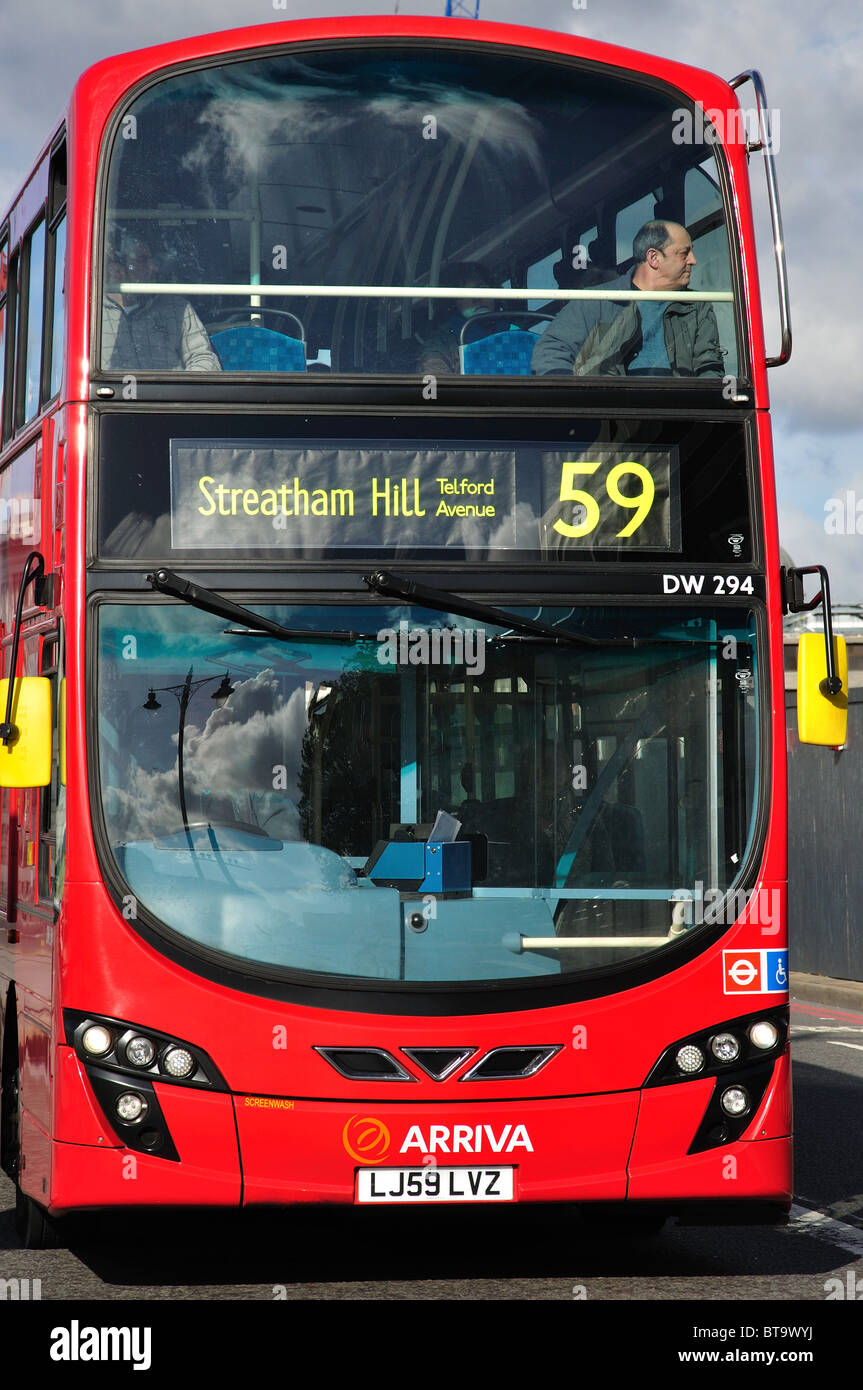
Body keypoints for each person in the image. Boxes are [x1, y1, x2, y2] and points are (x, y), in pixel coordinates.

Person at [531, 220, 723, 377]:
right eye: (684, 253)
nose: (693, 260)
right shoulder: (594, 301)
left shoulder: (697, 307)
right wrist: (578, 399)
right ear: (653, 258)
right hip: (610, 416)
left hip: (678, 417)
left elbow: (710, 369)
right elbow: (551, 352)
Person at [102, 240, 221, 371]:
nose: (154, 268)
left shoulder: (177, 309)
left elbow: (202, 358)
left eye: (154, 261)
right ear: (116, 269)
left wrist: (183, 388)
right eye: (142, 260)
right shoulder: (89, 314)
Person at [416, 261, 497, 375]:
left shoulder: (516, 330)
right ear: (451, 303)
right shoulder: (441, 344)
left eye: (481, 288)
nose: (477, 298)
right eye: (465, 293)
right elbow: (435, 386)